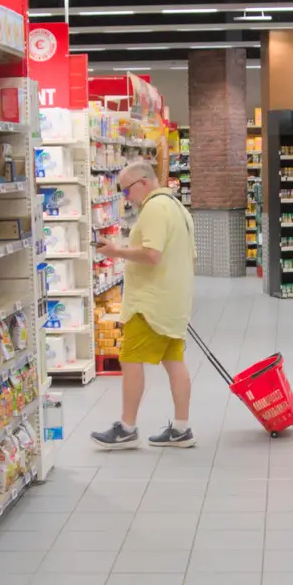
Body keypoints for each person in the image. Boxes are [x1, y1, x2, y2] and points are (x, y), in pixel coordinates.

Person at [91, 159, 197, 449]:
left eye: (126, 191)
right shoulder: (177, 208)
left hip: (150, 304)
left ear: (143, 183)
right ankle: (181, 428)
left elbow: (152, 255)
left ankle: (126, 427)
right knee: (174, 361)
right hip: (172, 300)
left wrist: (116, 251)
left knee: (130, 358)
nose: (126, 199)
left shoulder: (154, 208)